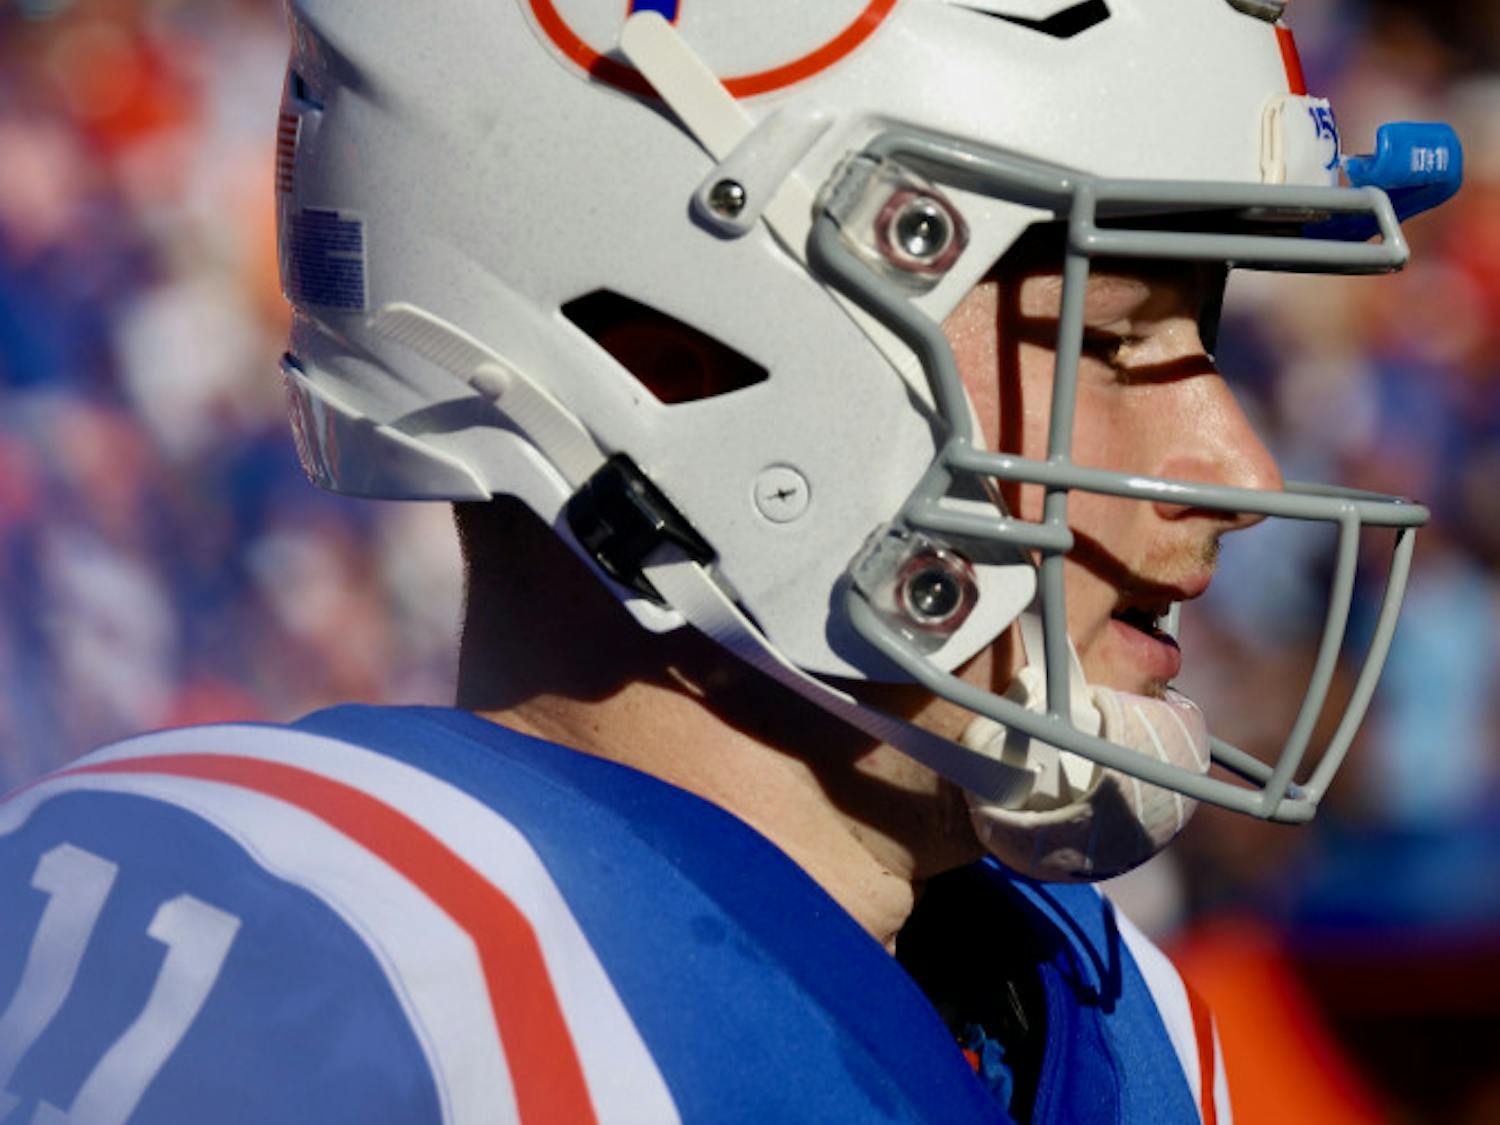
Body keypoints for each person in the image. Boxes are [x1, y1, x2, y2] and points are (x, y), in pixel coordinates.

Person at [0, 1, 1462, 1122]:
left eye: (1198, 334)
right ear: (673, 346)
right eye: (1109, 335)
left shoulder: (1110, 1009)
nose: (1238, 468)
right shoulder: (342, 974)